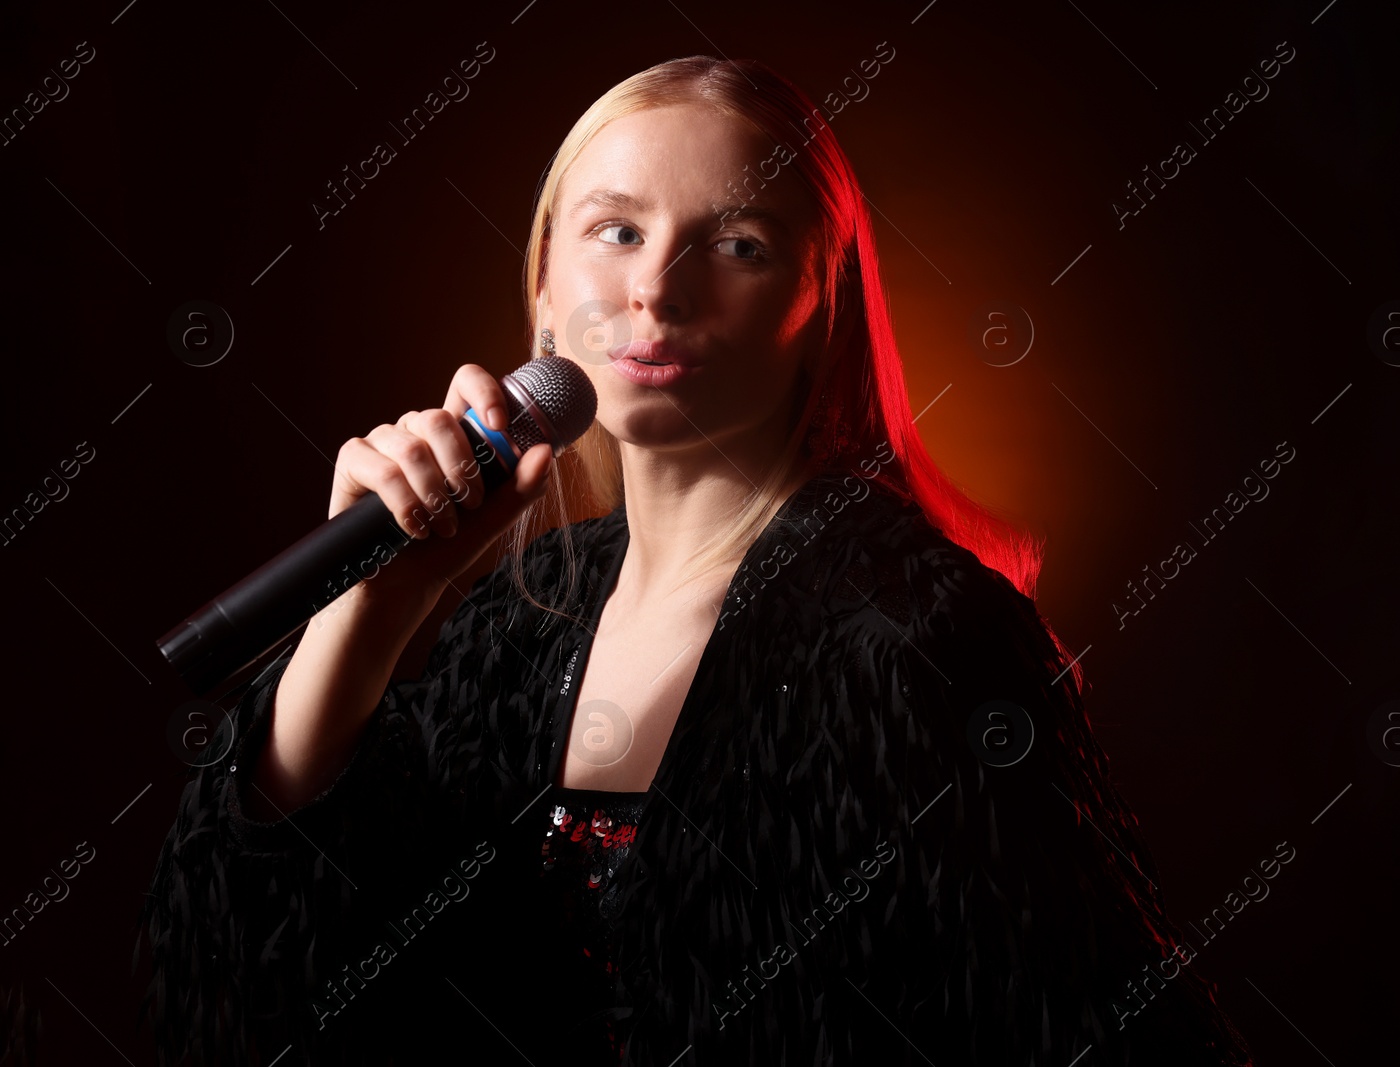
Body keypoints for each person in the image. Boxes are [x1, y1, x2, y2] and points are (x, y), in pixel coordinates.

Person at [135, 55, 1255, 1065]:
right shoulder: (513, 624)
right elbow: (241, 996)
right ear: (541, 288)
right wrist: (370, 612)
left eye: (737, 246)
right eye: (615, 230)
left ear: (821, 310)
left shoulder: (916, 638)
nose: (655, 289)